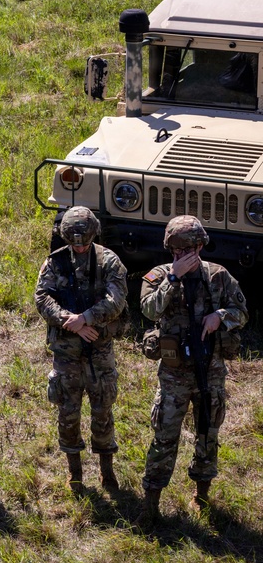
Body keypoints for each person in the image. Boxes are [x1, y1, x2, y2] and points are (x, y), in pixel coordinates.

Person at [139, 215, 247, 522]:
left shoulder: (218, 276)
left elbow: (242, 312)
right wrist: (172, 279)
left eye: (188, 249)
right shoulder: (158, 276)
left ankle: (202, 495)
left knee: (207, 433)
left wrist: (220, 316)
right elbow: (149, 310)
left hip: (210, 370)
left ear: (200, 247)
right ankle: (150, 505)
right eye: (176, 250)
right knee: (164, 436)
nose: (182, 255)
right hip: (174, 374)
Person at [34, 206, 128, 493]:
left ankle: (106, 471)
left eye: (84, 241)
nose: (79, 246)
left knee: (103, 411)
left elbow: (117, 299)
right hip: (66, 351)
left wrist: (86, 318)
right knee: (68, 412)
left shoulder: (108, 261)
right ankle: (74, 472)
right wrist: (70, 322)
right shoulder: (55, 262)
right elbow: (41, 297)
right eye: (74, 242)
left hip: (99, 350)